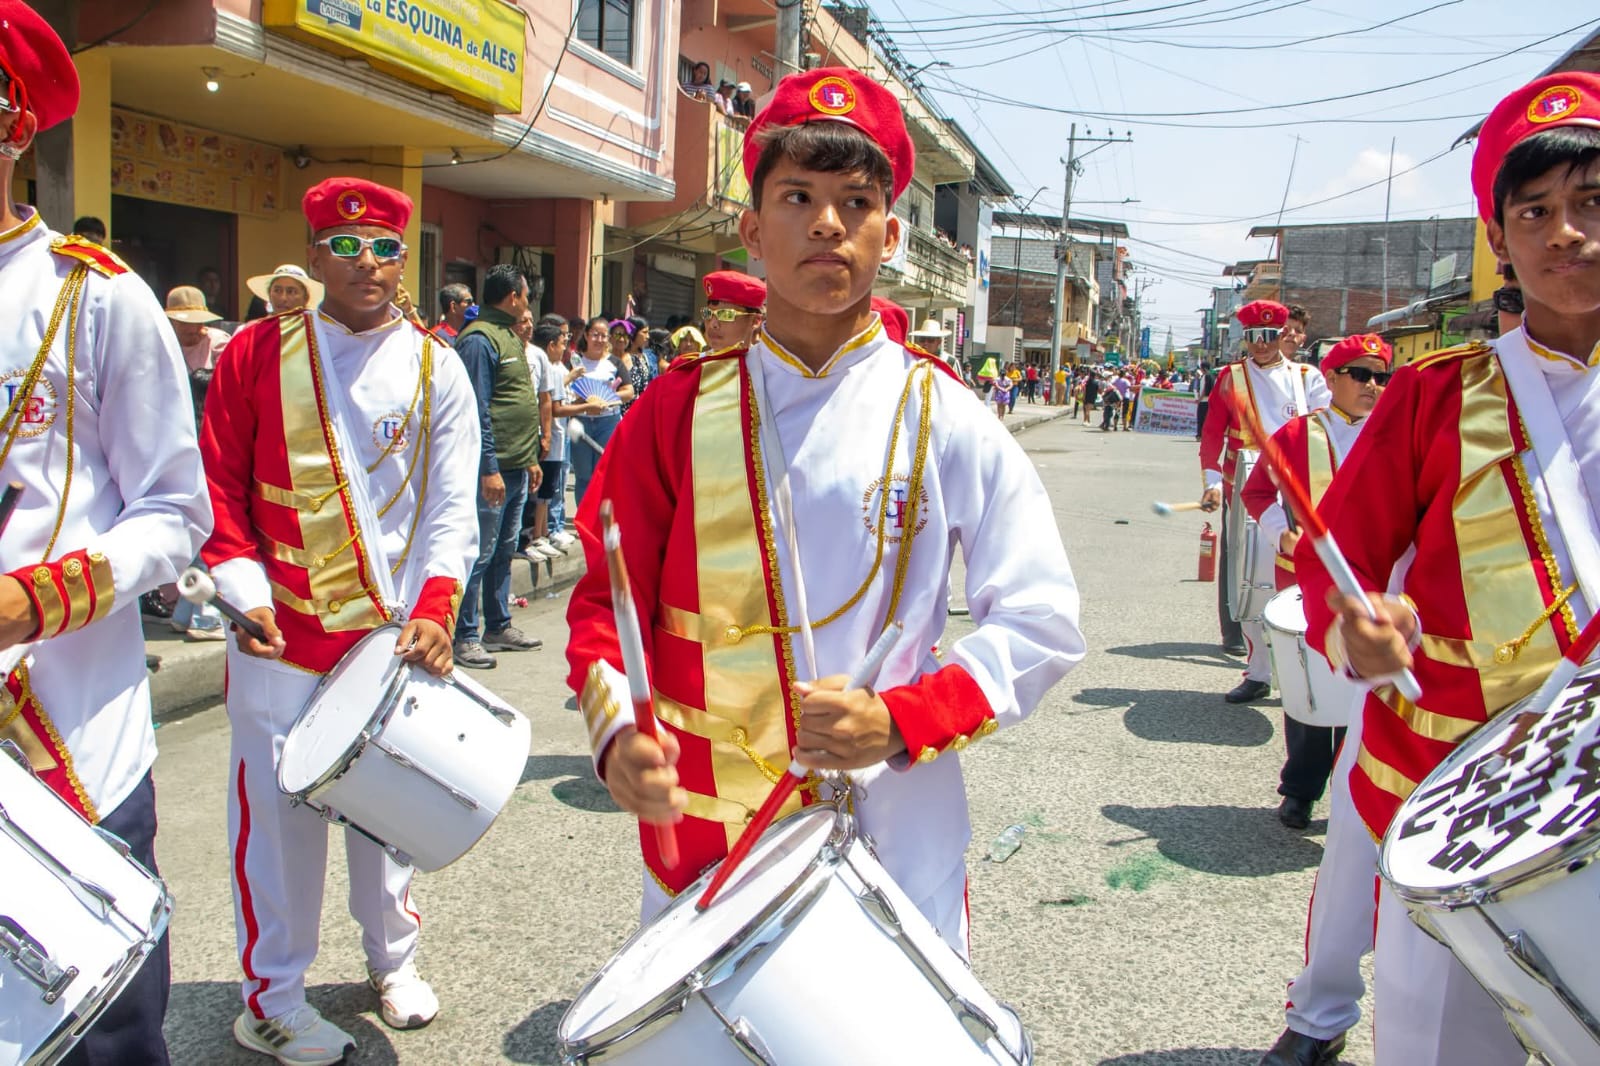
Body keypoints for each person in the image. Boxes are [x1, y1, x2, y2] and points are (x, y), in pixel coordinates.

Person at [565, 66, 1083, 956]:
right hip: (711, 828)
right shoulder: (677, 408)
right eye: (798, 196)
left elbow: (1042, 618)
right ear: (752, 227)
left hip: (897, 818)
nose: (827, 223)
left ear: (891, 235)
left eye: (857, 201)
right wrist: (615, 731)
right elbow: (607, 603)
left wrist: (903, 719)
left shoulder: (946, 412)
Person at [1292, 71, 1600, 1066]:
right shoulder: (1434, 394)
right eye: (1534, 211)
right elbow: (1331, 564)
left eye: (1592, 201)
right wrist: (1355, 629)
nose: (1565, 232)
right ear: (1499, 238)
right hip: (1464, 791)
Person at [200, 177, 480, 1064]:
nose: (368, 263)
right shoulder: (256, 354)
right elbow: (219, 489)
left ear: (405, 260)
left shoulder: (438, 367)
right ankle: (273, 998)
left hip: (387, 637)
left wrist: (437, 605)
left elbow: (451, 508)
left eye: (385, 248)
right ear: (315, 256)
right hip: (279, 635)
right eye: (347, 247)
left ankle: (392, 961)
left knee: (387, 814)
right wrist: (241, 589)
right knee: (279, 831)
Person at [0, 8, 213, 1063]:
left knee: (102, 1028)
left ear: (14, 126)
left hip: (68, 734)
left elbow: (176, 513)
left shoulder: (93, 296)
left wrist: (34, 598)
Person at [1246, 336, 1393, 1065]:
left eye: (1381, 375)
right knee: (1310, 704)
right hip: (1317, 587)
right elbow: (1258, 494)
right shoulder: (1297, 435)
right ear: (1330, 378)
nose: (1372, 385)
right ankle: (1300, 789)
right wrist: (1285, 531)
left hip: (1385, 600)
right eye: (1360, 374)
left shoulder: (1396, 427)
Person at [1198, 300, 1331, 697]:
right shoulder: (1230, 378)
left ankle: (1305, 670)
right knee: (1250, 580)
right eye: (1254, 336)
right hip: (1247, 492)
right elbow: (1212, 434)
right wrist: (1211, 482)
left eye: (1269, 336)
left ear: (1282, 335)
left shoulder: (1308, 378)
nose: (1261, 344)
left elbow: (1326, 431)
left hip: (1299, 492)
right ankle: (1258, 673)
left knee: (1299, 581)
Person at [452, 263, 544, 670]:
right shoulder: (479, 340)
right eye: (526, 295)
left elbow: (515, 403)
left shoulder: (507, 335)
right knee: (479, 554)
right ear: (513, 297)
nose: (527, 302)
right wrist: (488, 468)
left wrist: (530, 459)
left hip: (515, 467)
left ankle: (498, 625)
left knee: (504, 550)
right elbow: (477, 410)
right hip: (489, 471)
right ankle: (464, 635)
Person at [569, 316, 629, 508]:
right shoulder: (576, 361)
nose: (599, 340)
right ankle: (583, 516)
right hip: (581, 422)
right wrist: (581, 402)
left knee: (604, 472)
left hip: (608, 422)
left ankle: (600, 517)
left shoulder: (615, 363)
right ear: (587, 335)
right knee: (583, 474)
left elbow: (629, 391)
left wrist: (608, 398)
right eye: (595, 335)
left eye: (604, 336)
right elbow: (564, 389)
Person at [165, 284, 230, 373]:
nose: (192, 329)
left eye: (198, 322)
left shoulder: (218, 341)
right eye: (185, 323)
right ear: (171, 322)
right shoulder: (164, 344)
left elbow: (228, 374)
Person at [701, 269, 766, 352]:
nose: (712, 324)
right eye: (707, 313)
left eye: (726, 314)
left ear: (755, 321)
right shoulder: (691, 360)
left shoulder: (766, 360)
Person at [246, 263, 322, 314]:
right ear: (269, 294)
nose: (283, 298)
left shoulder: (317, 330)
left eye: (291, 292)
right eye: (277, 290)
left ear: (306, 298)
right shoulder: (255, 330)